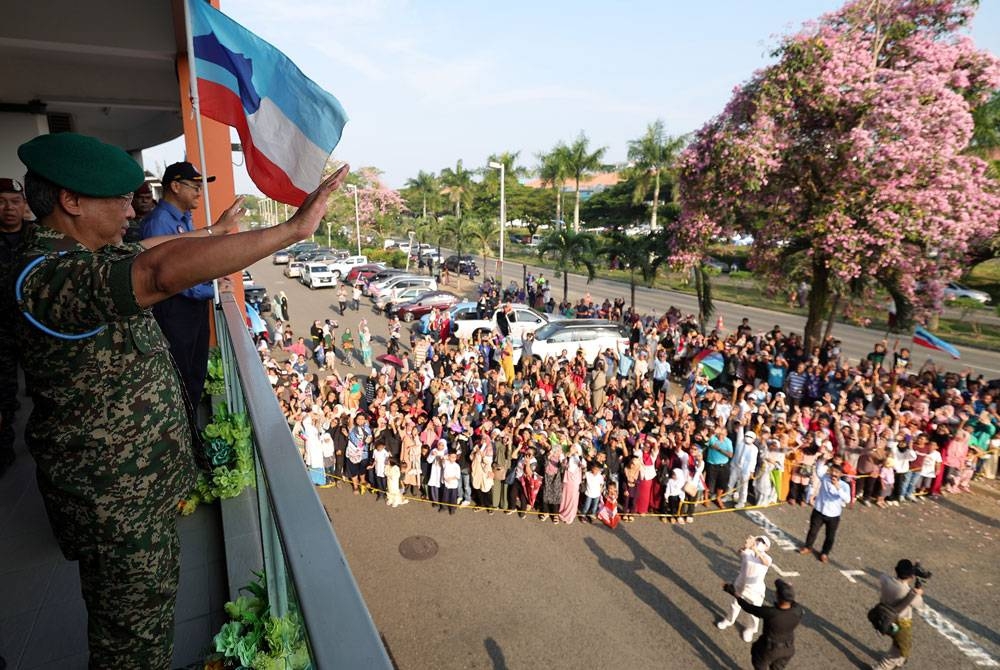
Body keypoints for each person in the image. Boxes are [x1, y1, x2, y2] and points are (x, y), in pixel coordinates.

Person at [13, 132, 347, 668]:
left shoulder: (79, 254)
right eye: (118, 200)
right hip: (115, 502)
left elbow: (147, 250)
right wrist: (291, 230)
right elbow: (157, 270)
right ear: (71, 202)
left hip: (134, 489)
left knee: (150, 619)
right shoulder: (50, 276)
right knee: (131, 645)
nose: (132, 210)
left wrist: (213, 233)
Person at [140, 161, 244, 407]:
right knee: (181, 376)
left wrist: (212, 280)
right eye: (194, 186)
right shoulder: (159, 223)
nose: (200, 192)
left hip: (192, 309)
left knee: (195, 373)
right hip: (174, 310)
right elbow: (169, 276)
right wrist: (213, 289)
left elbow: (191, 263)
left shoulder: (184, 218)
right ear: (175, 186)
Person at [0, 177, 32, 476]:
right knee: (4, 391)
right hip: (2, 332)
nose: (8, 208)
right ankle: (4, 447)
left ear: (24, 206)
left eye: (14, 201)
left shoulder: (37, 238)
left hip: (35, 330)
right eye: (1, 202)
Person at [722, 578, 803, 669]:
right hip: (788, 649)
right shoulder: (798, 610)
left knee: (759, 662)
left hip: (769, 649)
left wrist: (734, 593)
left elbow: (748, 607)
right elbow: (792, 602)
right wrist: (789, 590)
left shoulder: (770, 613)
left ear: (777, 595)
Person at [718, 535, 774, 642]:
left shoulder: (767, 558)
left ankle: (750, 629)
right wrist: (746, 546)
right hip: (740, 584)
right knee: (735, 604)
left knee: (754, 611)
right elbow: (740, 552)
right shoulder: (748, 552)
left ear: (767, 548)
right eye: (758, 540)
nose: (759, 542)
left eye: (763, 542)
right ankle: (728, 620)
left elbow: (766, 563)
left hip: (755, 589)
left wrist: (755, 550)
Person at [872, 559, 924, 669]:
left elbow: (883, 576)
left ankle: (898, 661)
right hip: (901, 624)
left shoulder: (885, 580)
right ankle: (882, 667)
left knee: (899, 645)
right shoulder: (908, 592)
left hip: (884, 616)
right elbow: (920, 606)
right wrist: (918, 592)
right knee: (901, 648)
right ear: (911, 576)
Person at [798, 464, 851, 562]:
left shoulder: (844, 486)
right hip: (819, 510)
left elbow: (847, 499)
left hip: (833, 515)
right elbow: (818, 469)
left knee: (830, 536)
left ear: (841, 474)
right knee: (813, 531)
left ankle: (824, 553)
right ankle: (808, 547)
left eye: (837, 473)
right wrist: (822, 458)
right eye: (833, 471)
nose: (834, 474)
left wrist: (837, 487)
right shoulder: (825, 478)